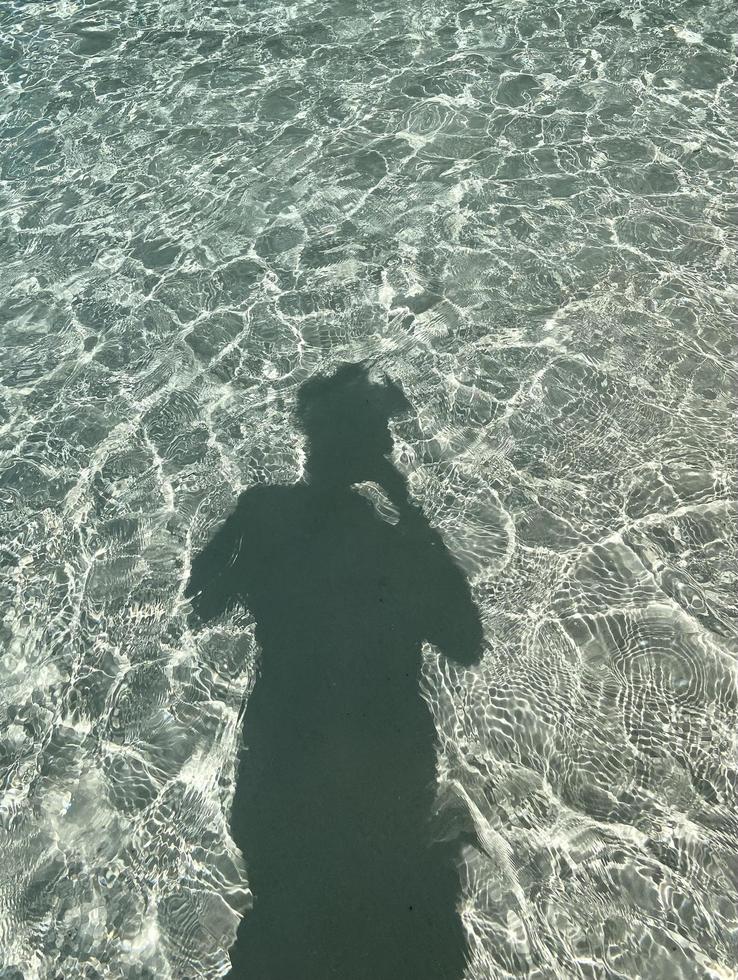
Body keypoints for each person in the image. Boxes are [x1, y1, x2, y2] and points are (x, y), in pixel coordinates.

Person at [187, 362, 483, 979]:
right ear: (377, 453)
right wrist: (408, 510)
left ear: (308, 441)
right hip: (383, 766)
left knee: (281, 929)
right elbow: (466, 641)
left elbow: (200, 601)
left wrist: (265, 573)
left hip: (279, 760)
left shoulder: (261, 513)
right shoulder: (395, 547)